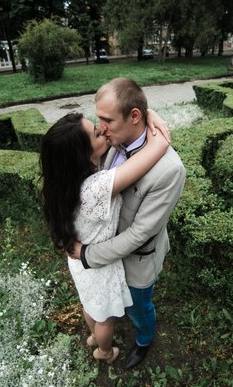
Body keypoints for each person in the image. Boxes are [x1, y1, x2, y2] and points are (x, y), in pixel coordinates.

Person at [70, 77, 186, 369]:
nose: (100, 128)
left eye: (106, 119)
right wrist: (150, 113)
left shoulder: (170, 170)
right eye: (98, 119)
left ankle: (144, 340)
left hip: (135, 259)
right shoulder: (112, 138)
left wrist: (87, 255)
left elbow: (141, 234)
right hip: (106, 253)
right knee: (116, 303)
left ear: (134, 116)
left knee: (138, 307)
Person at [40, 111, 170, 365]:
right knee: (105, 318)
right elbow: (158, 147)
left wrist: (144, 111)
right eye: (97, 133)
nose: (103, 129)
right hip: (99, 266)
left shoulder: (60, 185)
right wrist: (151, 118)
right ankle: (105, 351)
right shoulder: (96, 188)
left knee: (90, 305)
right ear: (85, 156)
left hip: (79, 264)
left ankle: (92, 336)